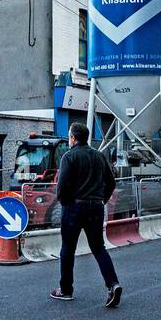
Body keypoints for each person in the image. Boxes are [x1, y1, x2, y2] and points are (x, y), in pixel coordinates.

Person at [51, 122, 121, 308]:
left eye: (69, 136)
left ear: (73, 137)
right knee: (98, 248)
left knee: (68, 248)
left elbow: (62, 187)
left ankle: (65, 290)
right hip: (96, 208)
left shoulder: (69, 156)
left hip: (74, 207)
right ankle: (113, 284)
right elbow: (111, 183)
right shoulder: (99, 156)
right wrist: (101, 200)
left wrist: (65, 202)